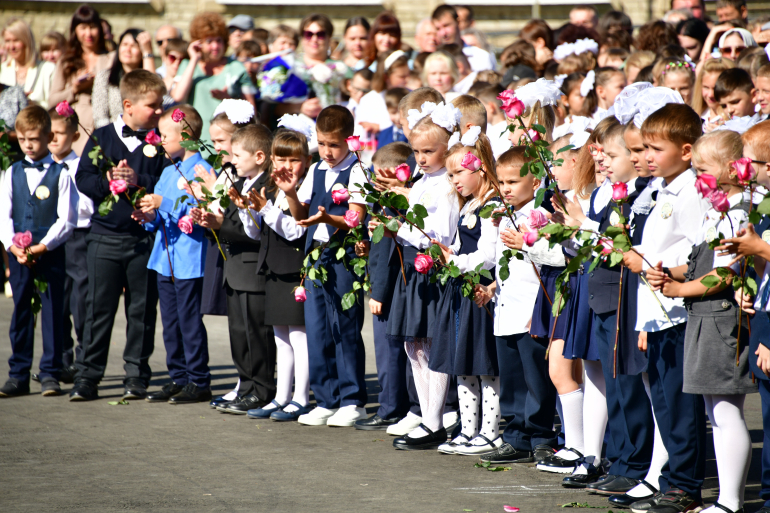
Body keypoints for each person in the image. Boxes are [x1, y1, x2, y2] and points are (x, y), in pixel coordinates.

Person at [647, 130, 754, 513]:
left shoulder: (738, 213)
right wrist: (671, 274)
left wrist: (679, 290)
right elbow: (700, 261)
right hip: (703, 316)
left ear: (730, 169)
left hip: (722, 319)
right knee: (716, 413)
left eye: (703, 169)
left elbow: (723, 276)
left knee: (726, 411)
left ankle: (731, 501)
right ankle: (727, 500)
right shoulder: (716, 210)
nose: (698, 178)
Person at [622, 103, 710, 513]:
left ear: (687, 150)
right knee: (664, 401)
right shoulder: (665, 189)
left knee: (679, 406)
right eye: (646, 148)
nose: (649, 156)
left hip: (678, 311)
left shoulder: (691, 191)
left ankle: (686, 486)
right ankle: (673, 479)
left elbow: (701, 253)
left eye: (656, 148)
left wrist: (649, 265)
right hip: (657, 312)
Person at [71, 69, 168, 402]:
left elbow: (165, 184)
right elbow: (82, 179)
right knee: (98, 309)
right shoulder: (101, 137)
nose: (159, 112)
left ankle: (136, 375)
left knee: (141, 311)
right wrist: (109, 182)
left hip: (143, 239)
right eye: (153, 106)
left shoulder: (159, 142)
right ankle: (87, 376)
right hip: (104, 238)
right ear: (128, 104)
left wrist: (138, 179)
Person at [277, 106, 370, 427]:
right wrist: (289, 192)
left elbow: (355, 217)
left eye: (334, 144)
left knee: (344, 326)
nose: (327, 152)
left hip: (344, 256)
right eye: (322, 143)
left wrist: (328, 218)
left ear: (349, 140)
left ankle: (352, 399)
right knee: (317, 328)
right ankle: (326, 398)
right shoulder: (315, 169)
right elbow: (301, 211)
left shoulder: (357, 170)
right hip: (315, 256)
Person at [381, 101, 461, 449]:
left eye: (429, 150)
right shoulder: (422, 181)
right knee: (413, 345)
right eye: (416, 151)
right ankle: (429, 416)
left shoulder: (446, 184)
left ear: (448, 148)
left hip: (432, 268)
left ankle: (435, 419)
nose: (421, 158)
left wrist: (401, 225)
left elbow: (441, 235)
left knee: (430, 344)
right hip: (412, 269)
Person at [475, 147, 557, 465]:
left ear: (535, 181)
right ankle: (516, 436)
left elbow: (548, 264)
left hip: (531, 310)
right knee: (512, 379)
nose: (506, 188)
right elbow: (499, 262)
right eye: (502, 181)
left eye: (513, 181)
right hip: (506, 308)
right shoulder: (502, 213)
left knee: (536, 379)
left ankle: (541, 437)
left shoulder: (543, 215)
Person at [191, 123, 275, 414]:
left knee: (257, 337)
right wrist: (209, 220)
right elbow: (228, 223)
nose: (233, 159)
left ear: (260, 157)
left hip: (254, 271)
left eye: (238, 155)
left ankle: (262, 390)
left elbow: (258, 232)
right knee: (239, 335)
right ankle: (247, 386)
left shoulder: (267, 186)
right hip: (235, 270)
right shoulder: (238, 184)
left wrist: (220, 225)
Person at [134, 104, 212, 405]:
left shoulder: (204, 170)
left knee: (190, 321)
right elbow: (159, 217)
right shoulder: (167, 171)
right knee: (170, 322)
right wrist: (147, 216)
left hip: (189, 259)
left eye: (165, 134)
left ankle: (199, 379)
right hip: (164, 259)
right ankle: (178, 377)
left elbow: (198, 211)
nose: (159, 139)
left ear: (187, 135)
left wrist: (162, 201)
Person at [431, 130, 502, 455]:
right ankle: (468, 428)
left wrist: (454, 260)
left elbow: (488, 254)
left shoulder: (492, 205)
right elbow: (461, 245)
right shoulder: (470, 204)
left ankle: (490, 432)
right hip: (463, 290)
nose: (454, 180)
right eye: (450, 174)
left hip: (481, 291)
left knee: (485, 365)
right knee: (464, 363)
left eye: (459, 172)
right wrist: (446, 252)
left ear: (481, 169)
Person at [235, 125, 312, 421]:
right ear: (271, 160)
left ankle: (301, 398)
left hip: (294, 270)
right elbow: (255, 234)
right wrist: (247, 210)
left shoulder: (303, 188)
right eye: (280, 159)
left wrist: (267, 209)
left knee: (298, 337)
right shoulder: (270, 187)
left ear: (305, 160)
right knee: (281, 337)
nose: (286, 166)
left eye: (293, 160)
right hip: (273, 269)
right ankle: (281, 397)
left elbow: (295, 231)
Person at [0, 105, 75, 398]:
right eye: (22, 140)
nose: (28, 145)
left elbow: (66, 219)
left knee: (54, 310)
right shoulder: (11, 172)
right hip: (20, 255)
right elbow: (4, 216)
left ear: (48, 136)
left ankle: (51, 373)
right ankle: (18, 373)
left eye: (33, 138)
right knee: (21, 310)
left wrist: (43, 246)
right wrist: (13, 247)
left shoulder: (62, 174)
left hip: (49, 253)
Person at [354, 141, 415, 431]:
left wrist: (377, 292)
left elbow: (388, 256)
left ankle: (391, 407)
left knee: (389, 351)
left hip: (389, 290)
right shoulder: (388, 204)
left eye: (379, 177)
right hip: (393, 286)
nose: (376, 184)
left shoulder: (394, 207)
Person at [172, 12, 257, 143]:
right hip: (195, 139)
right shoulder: (187, 65)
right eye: (209, 41)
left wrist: (229, 99)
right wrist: (194, 59)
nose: (215, 46)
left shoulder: (236, 67)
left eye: (218, 40)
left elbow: (251, 112)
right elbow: (178, 97)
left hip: (229, 142)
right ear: (198, 42)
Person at [48, 106, 87, 385]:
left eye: (59, 133)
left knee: (81, 302)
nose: (53, 139)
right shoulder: (41, 168)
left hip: (78, 238)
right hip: (49, 242)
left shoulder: (82, 167)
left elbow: (86, 206)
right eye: (48, 133)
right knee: (56, 303)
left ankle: (84, 362)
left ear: (74, 135)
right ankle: (59, 361)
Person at [49, 5, 114, 156]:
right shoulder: (66, 61)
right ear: (75, 31)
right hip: (75, 128)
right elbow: (52, 101)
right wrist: (75, 89)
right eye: (83, 28)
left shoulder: (111, 58)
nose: (88, 33)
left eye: (92, 27)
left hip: (103, 124)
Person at [92, 29, 157, 129]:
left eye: (134, 45)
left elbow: (153, 91)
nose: (128, 49)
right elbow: (100, 117)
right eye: (125, 44)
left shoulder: (154, 76)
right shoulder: (105, 76)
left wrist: (148, 52)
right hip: (113, 135)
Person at [1, 18, 57, 109]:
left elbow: (54, 106)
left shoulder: (48, 69)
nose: (11, 46)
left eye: (16, 40)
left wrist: (31, 104)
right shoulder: (3, 70)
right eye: (7, 41)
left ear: (26, 41)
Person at [431, 5, 495, 72]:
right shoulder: (432, 60)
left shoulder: (481, 57)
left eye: (446, 25)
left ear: (458, 22)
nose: (443, 33)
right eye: (438, 29)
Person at [692, 57, 735, 126]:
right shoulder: (696, 117)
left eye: (716, 88)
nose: (710, 95)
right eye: (706, 87)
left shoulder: (736, 121)